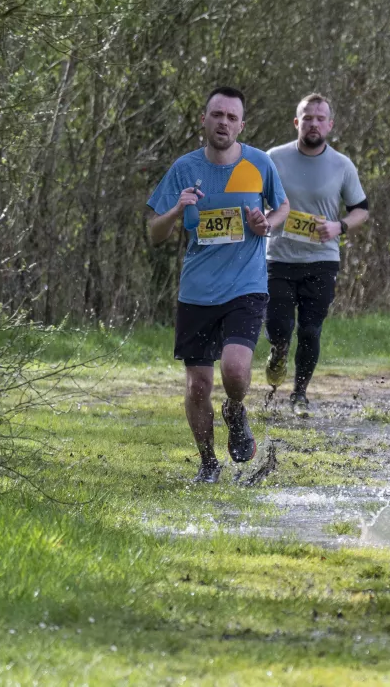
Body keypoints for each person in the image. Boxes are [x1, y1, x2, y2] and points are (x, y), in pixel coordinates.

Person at [146, 87, 290, 483]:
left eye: (231, 117)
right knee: (197, 387)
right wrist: (176, 210)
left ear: (241, 125)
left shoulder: (258, 163)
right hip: (196, 291)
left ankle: (235, 409)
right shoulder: (184, 168)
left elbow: (282, 206)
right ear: (204, 120)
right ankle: (208, 463)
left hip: (246, 285)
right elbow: (155, 232)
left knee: (235, 371)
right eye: (217, 115)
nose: (223, 122)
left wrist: (266, 224)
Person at [264, 94, 369, 413]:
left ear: (330, 125)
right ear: (297, 122)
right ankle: (278, 352)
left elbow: (361, 210)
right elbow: (254, 197)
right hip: (279, 257)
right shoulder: (273, 158)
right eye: (307, 118)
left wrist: (340, 226)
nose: (314, 124)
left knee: (310, 330)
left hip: (322, 260)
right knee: (280, 327)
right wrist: (263, 216)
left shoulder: (342, 165)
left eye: (320, 118)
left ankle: (299, 393)